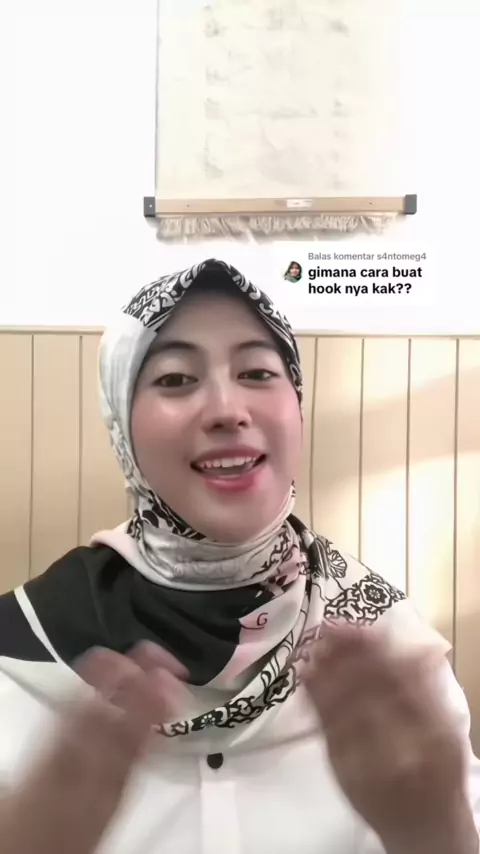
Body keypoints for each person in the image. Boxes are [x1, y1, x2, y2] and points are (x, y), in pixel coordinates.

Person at [0, 257, 479, 854]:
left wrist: (437, 832)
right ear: (121, 424)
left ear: (296, 406)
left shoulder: (391, 654)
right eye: (176, 379)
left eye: (256, 372)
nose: (227, 409)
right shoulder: (20, 653)